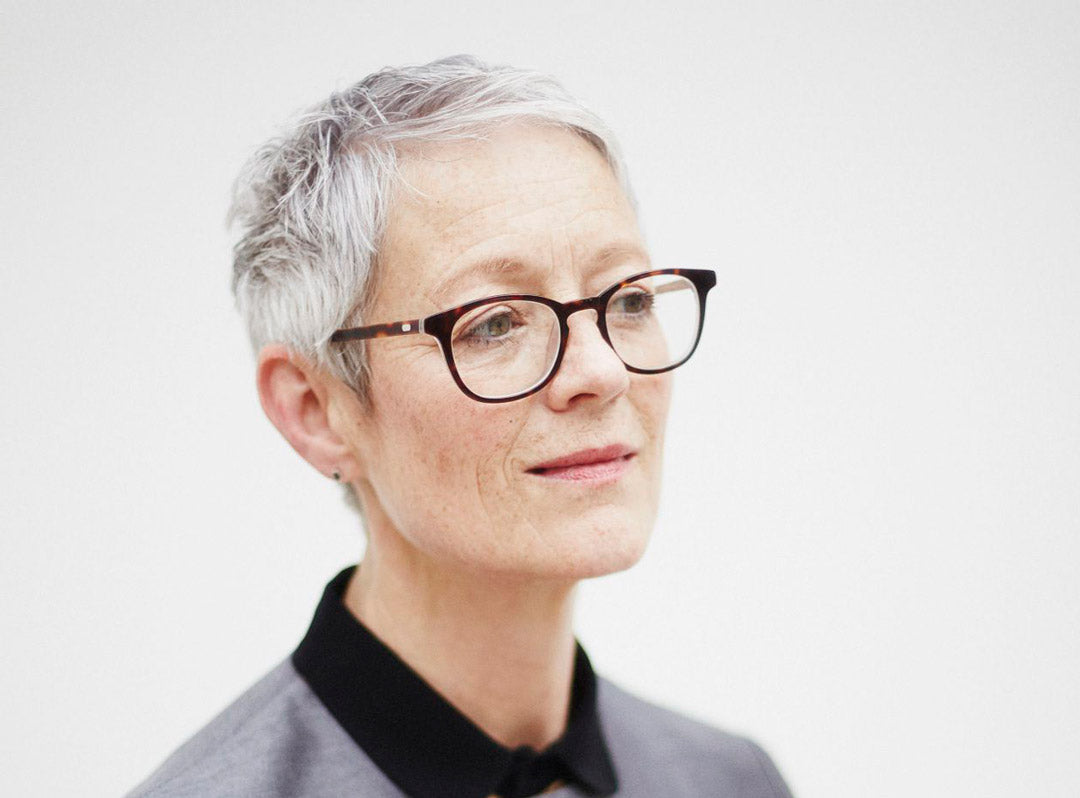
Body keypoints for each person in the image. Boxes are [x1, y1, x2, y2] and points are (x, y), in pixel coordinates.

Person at [128, 55, 794, 798]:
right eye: (497, 322)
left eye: (629, 300)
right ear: (316, 411)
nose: (602, 372)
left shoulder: (728, 781)